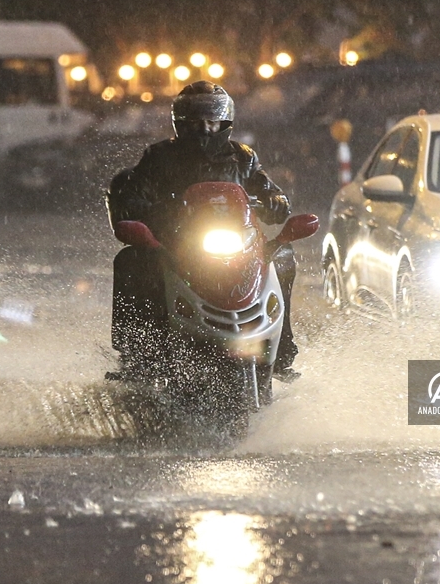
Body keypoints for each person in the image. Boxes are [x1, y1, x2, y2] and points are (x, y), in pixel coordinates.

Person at [106, 81, 300, 381]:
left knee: (283, 254)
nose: (205, 129)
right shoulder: (158, 157)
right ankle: (137, 353)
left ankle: (282, 349)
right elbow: (133, 199)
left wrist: (274, 202)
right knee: (133, 261)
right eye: (195, 122)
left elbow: (271, 192)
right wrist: (159, 209)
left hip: (238, 243)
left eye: (212, 121)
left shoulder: (243, 157)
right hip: (177, 245)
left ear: (226, 122)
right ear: (180, 123)